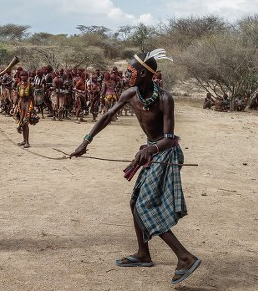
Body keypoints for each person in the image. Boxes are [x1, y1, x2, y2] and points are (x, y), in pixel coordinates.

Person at [70, 50, 200, 285]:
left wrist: (150, 150)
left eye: (130, 71)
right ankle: (143, 253)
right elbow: (107, 116)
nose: (126, 74)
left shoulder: (164, 99)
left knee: (145, 207)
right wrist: (85, 141)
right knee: (135, 203)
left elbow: (170, 138)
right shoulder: (130, 94)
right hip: (150, 151)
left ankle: (185, 257)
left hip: (166, 154)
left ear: (143, 73)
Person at [14, 70, 37, 148]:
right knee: (21, 122)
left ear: (27, 76)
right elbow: (17, 95)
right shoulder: (18, 85)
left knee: (25, 122)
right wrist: (14, 105)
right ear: (20, 76)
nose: (23, 77)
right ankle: (24, 140)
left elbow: (32, 96)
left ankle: (27, 142)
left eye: (25, 75)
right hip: (21, 104)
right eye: (22, 75)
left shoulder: (30, 85)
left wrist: (33, 107)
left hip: (28, 104)